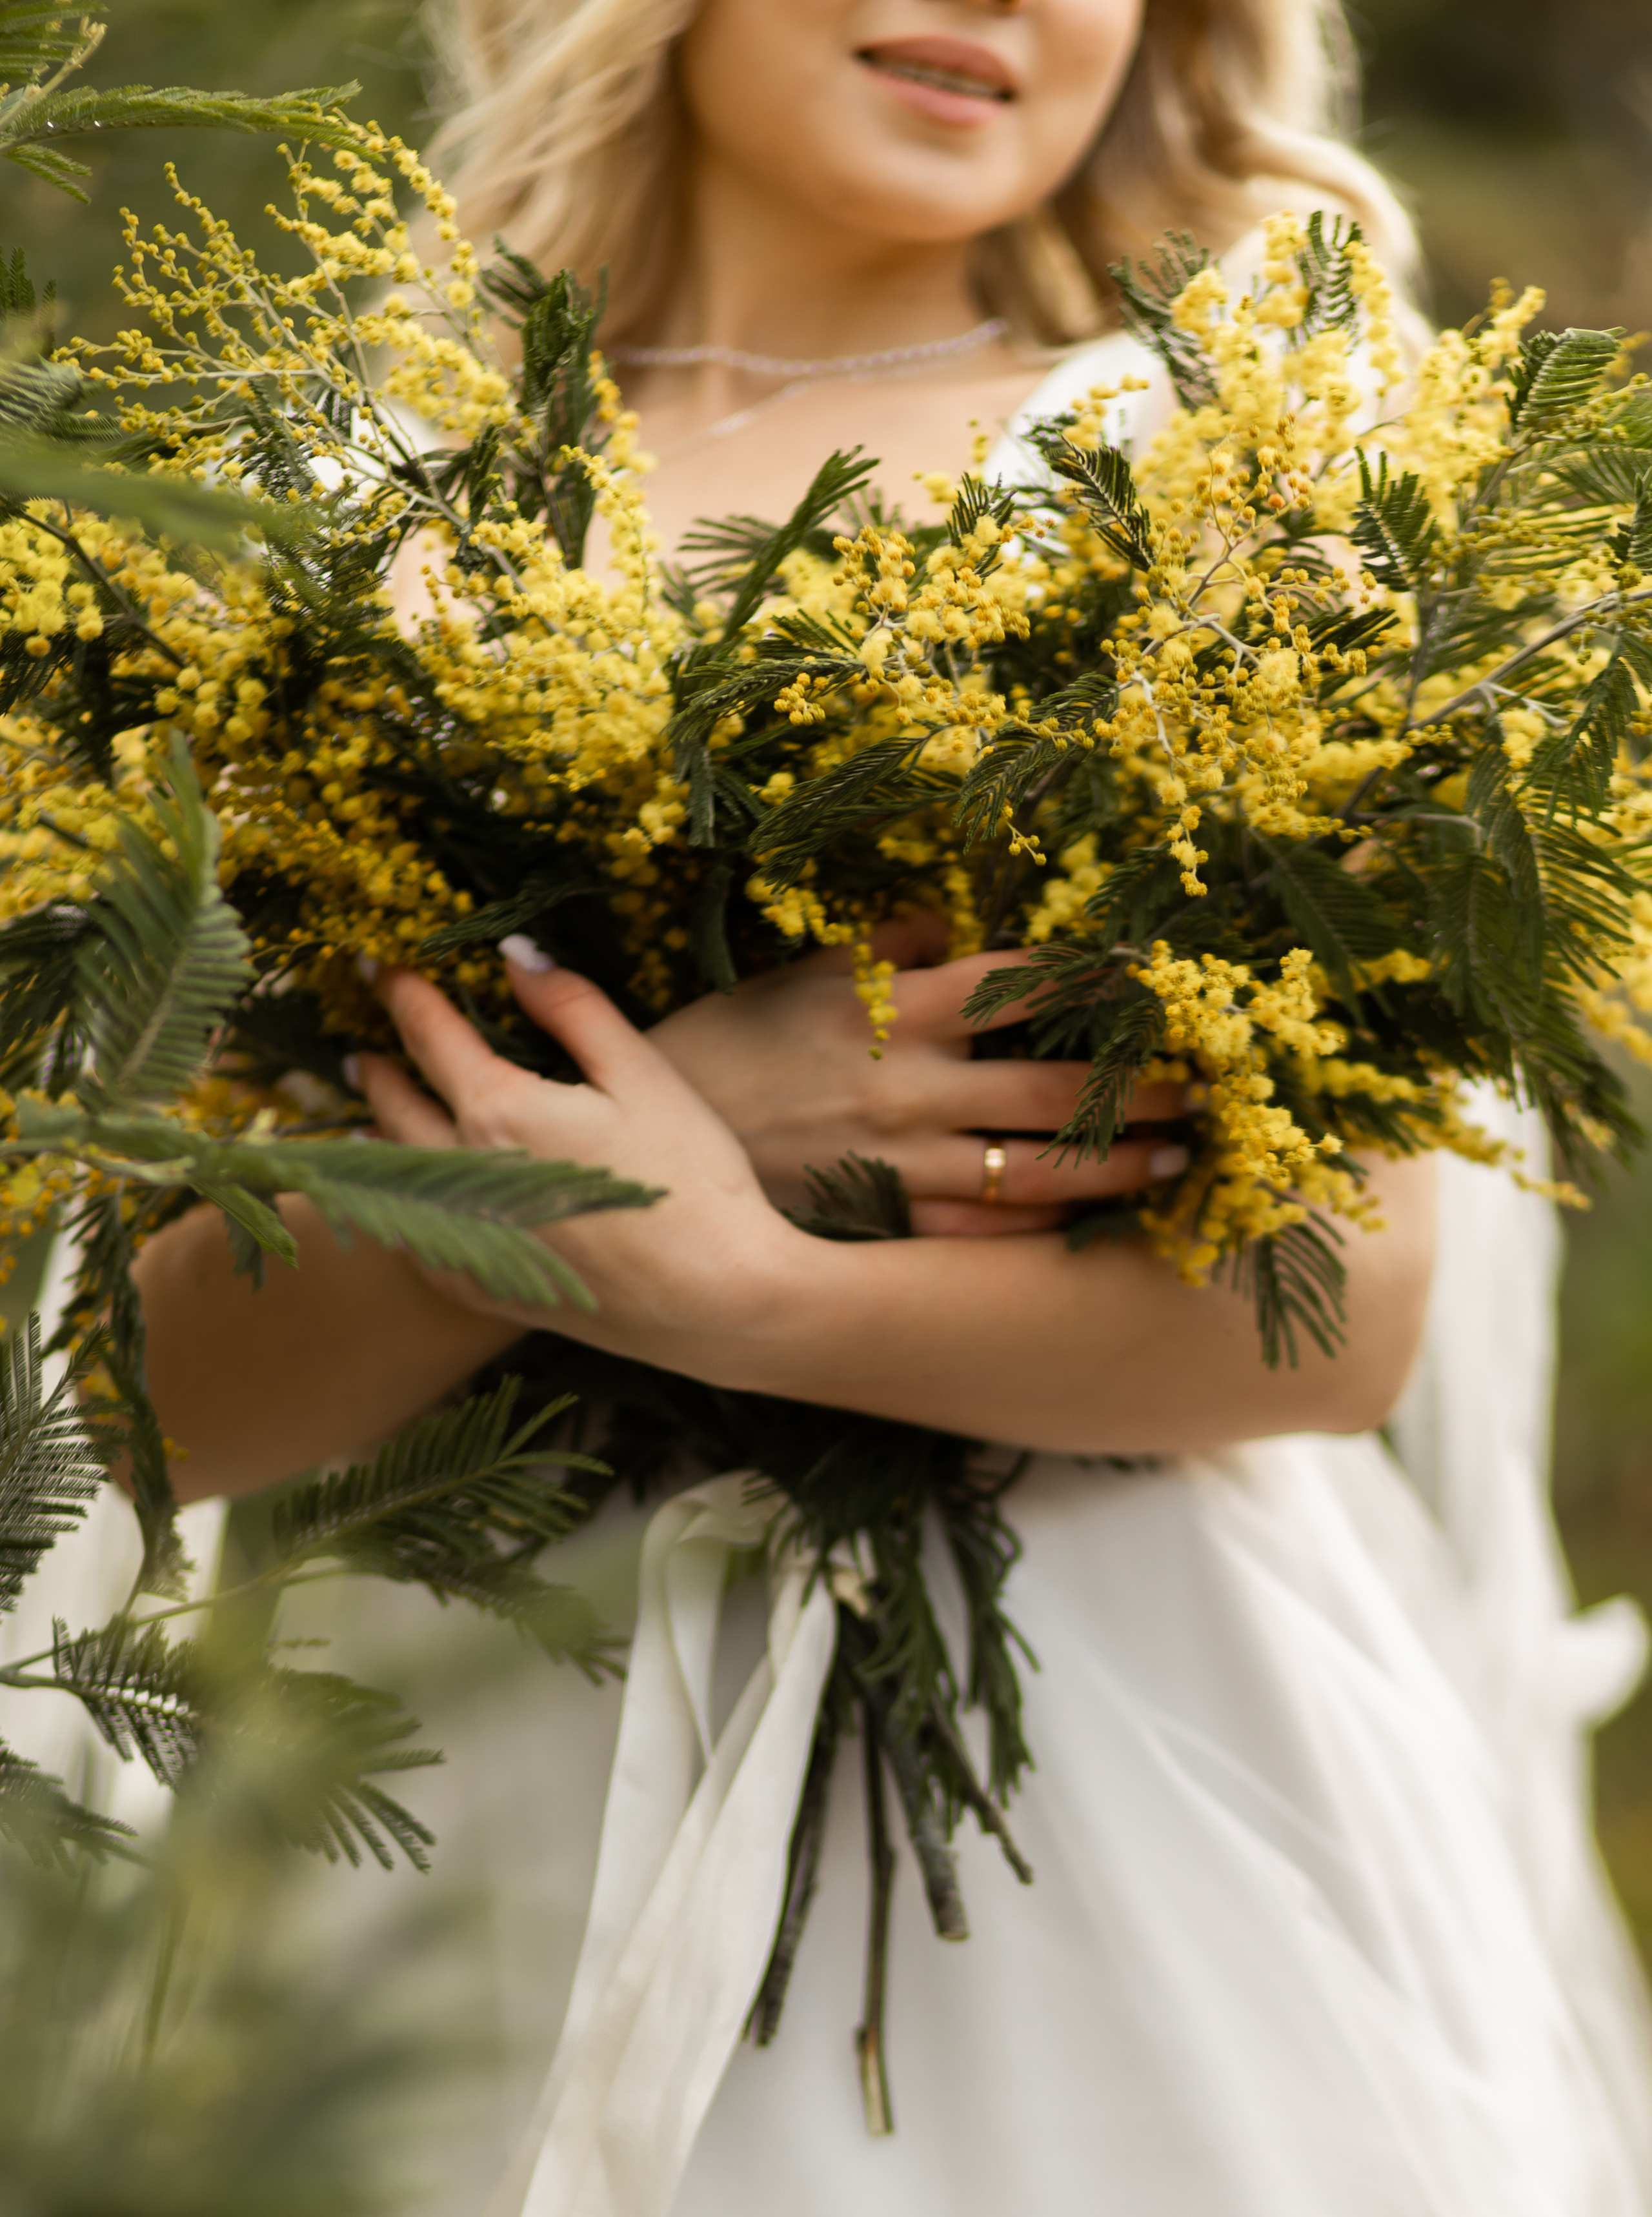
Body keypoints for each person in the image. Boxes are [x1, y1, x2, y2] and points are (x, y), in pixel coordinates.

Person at [130, 1, 1652, 2211]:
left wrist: (751, 1293)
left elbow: (1349, 1306)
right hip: (447, 1768)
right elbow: (153, 1408)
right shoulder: (332, 523)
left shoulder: (1216, 453)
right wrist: (672, 1126)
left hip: (1111, 1804)